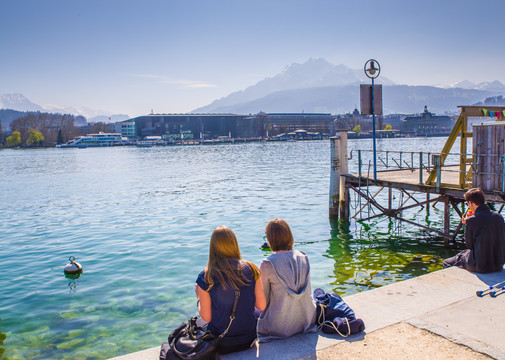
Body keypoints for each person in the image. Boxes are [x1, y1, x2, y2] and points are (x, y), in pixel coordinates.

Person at [195, 226, 266, 354]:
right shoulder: (251, 269)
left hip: (220, 342)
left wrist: (199, 298)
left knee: (198, 322)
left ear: (213, 248)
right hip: (249, 339)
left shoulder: (206, 276)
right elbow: (261, 305)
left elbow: (206, 317)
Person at [257, 219, 317, 342]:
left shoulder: (267, 264)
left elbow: (263, 301)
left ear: (271, 239)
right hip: (306, 320)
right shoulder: (303, 256)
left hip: (278, 327)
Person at [443, 188, 505, 273]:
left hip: (480, 266)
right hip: (498, 264)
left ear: (471, 203)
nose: (468, 206)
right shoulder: (499, 217)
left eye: (467, 203)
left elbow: (469, 245)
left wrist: (467, 224)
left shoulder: (472, 220)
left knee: (447, 262)